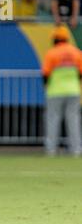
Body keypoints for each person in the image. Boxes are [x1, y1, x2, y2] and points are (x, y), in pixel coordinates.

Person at [42, 26, 82, 156]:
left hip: (55, 91)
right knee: (73, 120)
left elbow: (45, 74)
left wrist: (46, 86)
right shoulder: (76, 52)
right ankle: (76, 150)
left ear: (56, 39)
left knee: (53, 119)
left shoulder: (51, 53)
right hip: (74, 90)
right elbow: (80, 73)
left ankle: (51, 150)